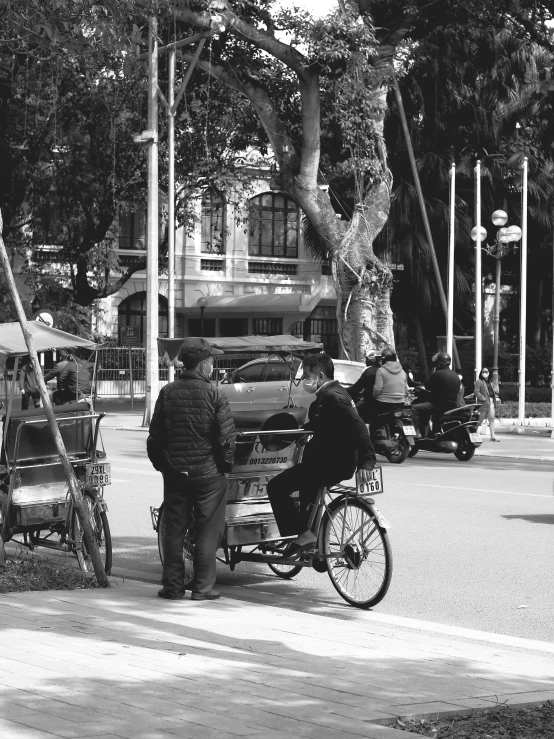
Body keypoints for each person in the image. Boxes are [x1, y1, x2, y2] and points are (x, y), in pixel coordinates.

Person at [148, 338, 236, 601]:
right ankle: (202, 588)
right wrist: (225, 468)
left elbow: (155, 438)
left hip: (175, 475)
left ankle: (173, 587)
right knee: (208, 530)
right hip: (209, 476)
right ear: (204, 365)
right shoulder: (215, 394)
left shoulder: (167, 392)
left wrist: (164, 467)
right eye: (211, 361)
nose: (213, 365)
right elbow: (226, 440)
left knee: (174, 530)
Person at [267, 353, 376, 557]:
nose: (305, 380)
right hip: (330, 462)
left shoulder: (333, 397)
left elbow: (359, 426)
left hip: (328, 464)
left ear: (320, 375)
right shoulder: (335, 393)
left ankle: (303, 535)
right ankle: (317, 549)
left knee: (276, 487)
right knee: (308, 493)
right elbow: (325, 422)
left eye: (307, 374)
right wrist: (303, 432)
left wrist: (367, 461)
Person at [412, 352, 461, 437]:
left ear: (439, 363)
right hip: (452, 405)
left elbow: (427, 387)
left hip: (438, 406)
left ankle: (417, 433)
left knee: (414, 408)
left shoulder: (437, 374)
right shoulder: (455, 375)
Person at [346, 349, 381, 423]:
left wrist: (346, 391)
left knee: (354, 412)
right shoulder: (384, 370)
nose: (366, 361)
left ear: (371, 360)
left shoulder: (369, 372)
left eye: (367, 359)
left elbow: (357, 388)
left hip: (371, 402)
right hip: (386, 402)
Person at [372, 348, 408, 416]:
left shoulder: (381, 370)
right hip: (400, 403)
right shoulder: (403, 372)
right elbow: (405, 389)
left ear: (383, 359)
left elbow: (378, 389)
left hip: (383, 403)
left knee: (375, 421)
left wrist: (373, 397)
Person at [475, 367, 499, 442]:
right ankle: (474, 434)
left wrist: (496, 384)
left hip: (491, 402)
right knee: (480, 420)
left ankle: (492, 436)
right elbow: (476, 392)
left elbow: (497, 391)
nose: (484, 373)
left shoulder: (491, 382)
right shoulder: (479, 382)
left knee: (491, 419)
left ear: (489, 373)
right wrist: (483, 398)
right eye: (483, 372)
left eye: (486, 371)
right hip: (483, 403)